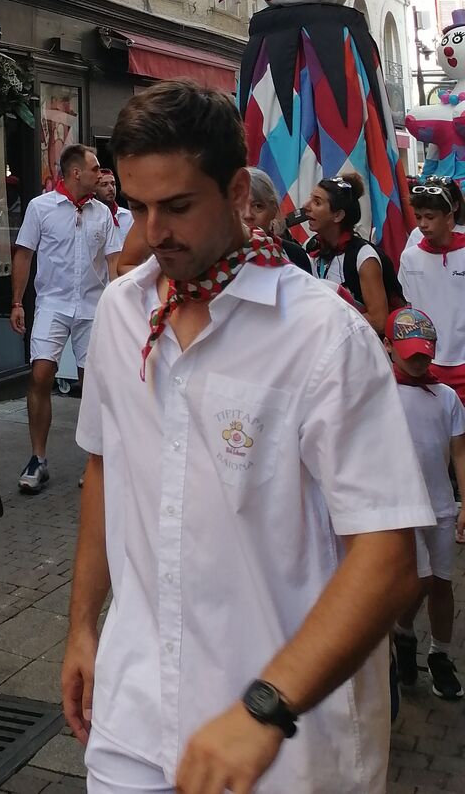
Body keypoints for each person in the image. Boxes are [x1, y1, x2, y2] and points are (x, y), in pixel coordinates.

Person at [64, 81, 431, 794]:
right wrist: (83, 626)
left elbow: (389, 556)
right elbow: (105, 468)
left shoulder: (323, 336)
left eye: (177, 206)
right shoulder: (120, 312)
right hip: (135, 715)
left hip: (287, 746)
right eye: (137, 206)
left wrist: (266, 707)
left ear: (237, 191)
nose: (153, 232)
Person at [10, 144, 113, 494]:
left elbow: (114, 263)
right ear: (75, 173)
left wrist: (119, 308)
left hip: (94, 306)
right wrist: (17, 303)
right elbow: (24, 255)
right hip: (52, 304)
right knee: (40, 374)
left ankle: (95, 461)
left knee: (92, 383)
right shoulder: (41, 208)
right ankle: (37, 458)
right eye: (95, 168)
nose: (101, 173)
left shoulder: (103, 214)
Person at [384, 306, 465, 701]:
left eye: (424, 354)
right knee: (418, 581)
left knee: (442, 583)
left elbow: (459, 452)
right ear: (389, 347)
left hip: (440, 505)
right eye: (410, 354)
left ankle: (440, 654)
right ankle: (402, 632)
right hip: (402, 507)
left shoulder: (446, 397)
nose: (418, 361)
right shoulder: (381, 394)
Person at [397, 179, 465, 402]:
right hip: (427, 363)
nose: (423, 224)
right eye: (418, 217)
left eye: (430, 217)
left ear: (449, 217)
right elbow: (409, 308)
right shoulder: (409, 257)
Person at [300, 174, 391, 335]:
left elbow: (379, 321)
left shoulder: (364, 257)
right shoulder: (310, 246)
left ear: (338, 215)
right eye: (310, 198)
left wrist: (327, 325)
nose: (306, 206)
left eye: (317, 202)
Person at [244, 167, 312, 273]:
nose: (248, 215)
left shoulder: (295, 255)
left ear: (273, 210)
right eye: (239, 206)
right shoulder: (217, 256)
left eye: (258, 206)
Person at [95, 169, 133, 279]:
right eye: (104, 185)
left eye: (113, 184)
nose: (111, 188)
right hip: (99, 280)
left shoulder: (128, 217)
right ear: (94, 190)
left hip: (125, 278)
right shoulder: (90, 218)